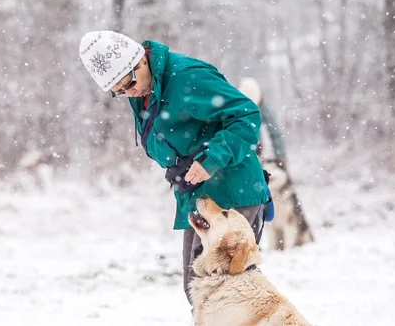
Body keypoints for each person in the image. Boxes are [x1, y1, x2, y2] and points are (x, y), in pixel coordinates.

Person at [79, 31, 270, 308]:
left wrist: (211, 160)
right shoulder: (143, 88)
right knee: (198, 291)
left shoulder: (187, 77)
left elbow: (247, 116)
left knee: (228, 294)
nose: (128, 93)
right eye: (118, 91)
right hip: (197, 196)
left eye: (128, 84)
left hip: (231, 191)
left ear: (141, 61)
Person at [237, 77, 288, 171]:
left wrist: (281, 157)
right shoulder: (234, 103)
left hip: (256, 146)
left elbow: (275, 131)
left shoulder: (263, 105)